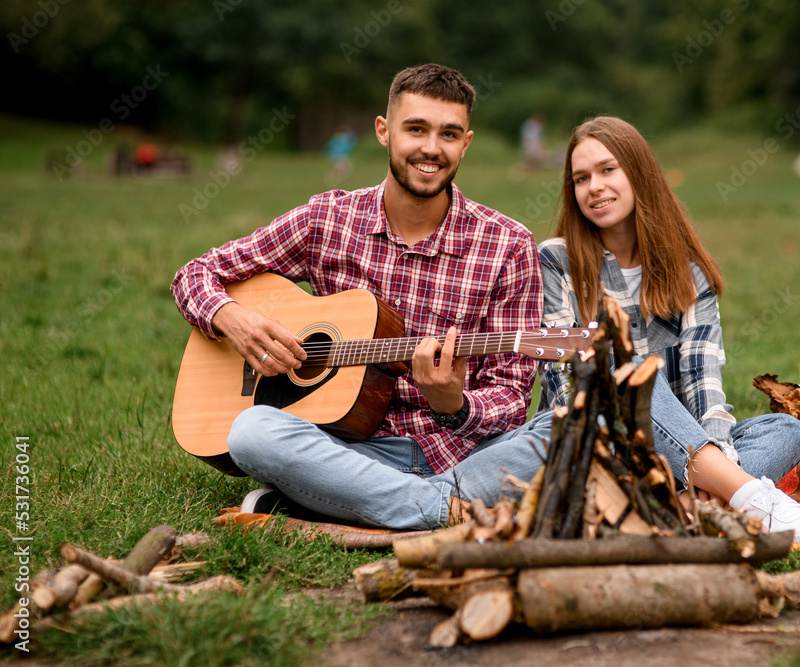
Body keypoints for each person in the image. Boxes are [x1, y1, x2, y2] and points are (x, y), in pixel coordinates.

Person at [171, 64, 550, 530]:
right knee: (252, 431)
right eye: (416, 129)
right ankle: (438, 509)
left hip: (457, 452)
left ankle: (333, 501)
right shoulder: (326, 218)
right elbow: (195, 273)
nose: (432, 148)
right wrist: (233, 318)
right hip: (341, 446)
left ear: (465, 143)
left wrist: (455, 404)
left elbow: (512, 396)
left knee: (571, 427)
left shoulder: (509, 244)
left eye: (448, 134)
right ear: (384, 132)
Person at [538, 116, 800, 545]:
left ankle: (684, 505)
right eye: (581, 178)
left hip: (676, 446)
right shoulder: (557, 260)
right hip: (592, 446)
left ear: (638, 173)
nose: (594, 187)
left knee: (786, 430)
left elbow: (703, 378)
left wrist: (712, 449)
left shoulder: (685, 271)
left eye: (608, 170)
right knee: (629, 366)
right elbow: (562, 375)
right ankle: (748, 498)